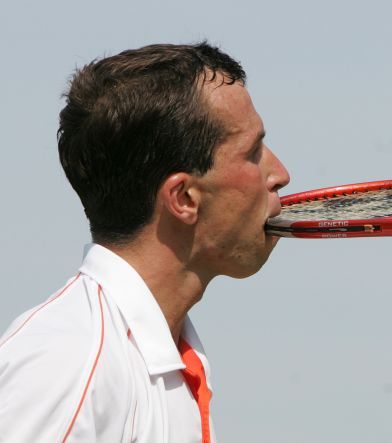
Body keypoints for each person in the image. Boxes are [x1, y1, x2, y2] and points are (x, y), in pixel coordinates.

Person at [0, 42, 290, 442]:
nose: (280, 174)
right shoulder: (71, 361)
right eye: (253, 152)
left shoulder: (160, 355)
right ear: (184, 198)